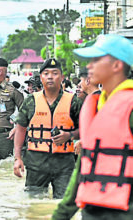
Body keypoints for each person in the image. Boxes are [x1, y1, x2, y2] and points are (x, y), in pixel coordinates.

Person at [52, 34, 133, 220]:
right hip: (92, 211)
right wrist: (61, 215)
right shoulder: (97, 105)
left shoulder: (130, 105)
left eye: (96, 60)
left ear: (117, 65)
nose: (89, 66)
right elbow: (84, 166)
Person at [13, 58, 82, 199]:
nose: (50, 77)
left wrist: (69, 136)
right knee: (33, 203)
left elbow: (86, 129)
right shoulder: (30, 101)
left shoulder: (74, 101)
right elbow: (20, 129)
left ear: (62, 77)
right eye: (46, 73)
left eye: (55, 73)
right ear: (41, 77)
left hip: (64, 163)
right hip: (36, 162)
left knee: (63, 202)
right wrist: (17, 158)